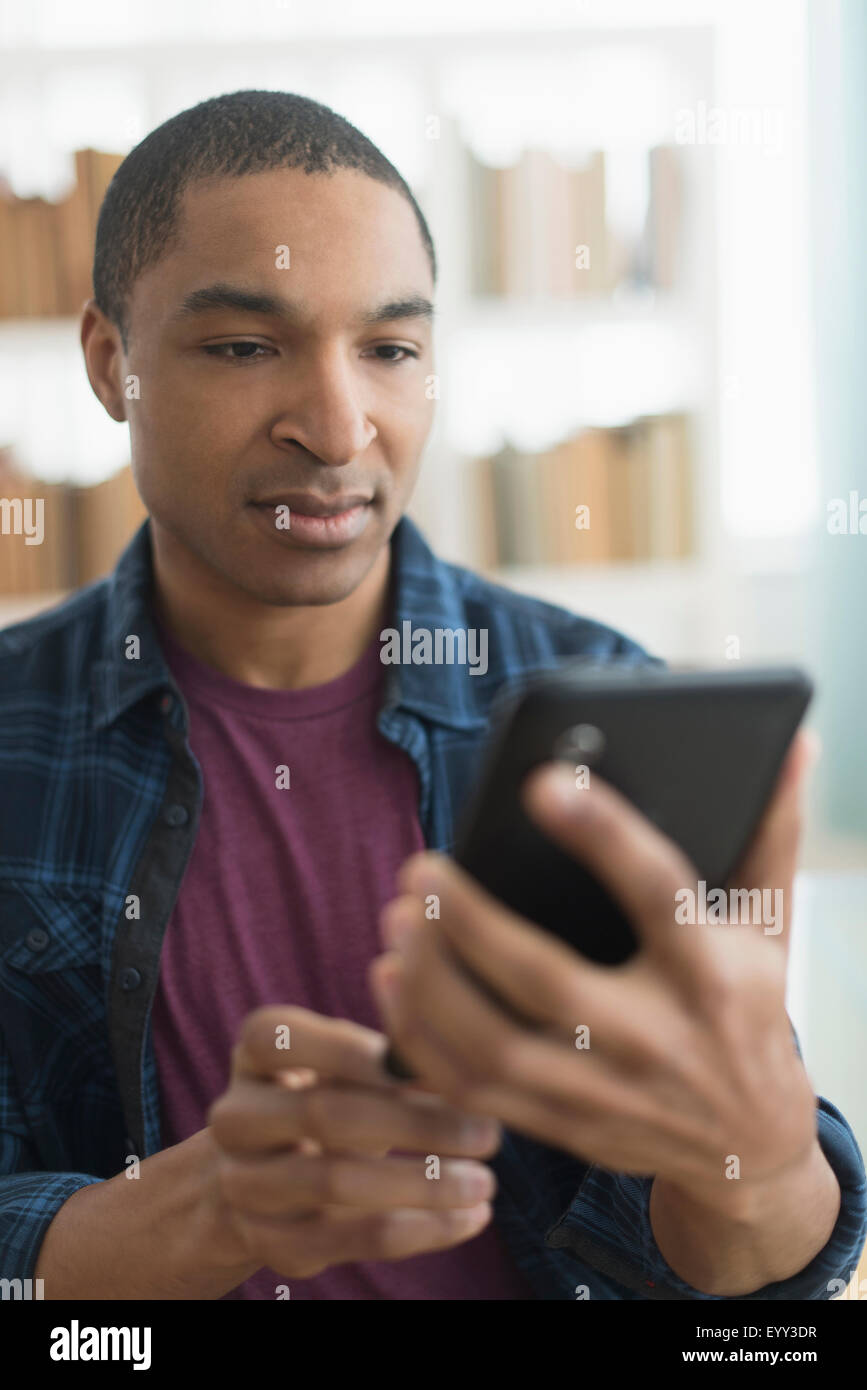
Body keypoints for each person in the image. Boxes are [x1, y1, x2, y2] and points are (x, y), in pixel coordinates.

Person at [0, 90, 863, 1301]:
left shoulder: (610, 712)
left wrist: (759, 1160)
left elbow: (745, 1295)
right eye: (247, 347)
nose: (340, 425)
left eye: (392, 350)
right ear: (111, 364)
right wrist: (188, 1220)